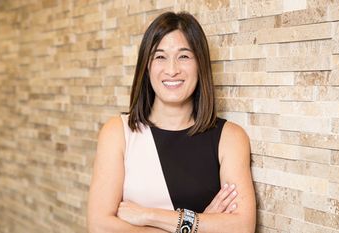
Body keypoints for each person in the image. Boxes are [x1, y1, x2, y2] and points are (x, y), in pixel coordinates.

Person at [87, 11, 256, 233]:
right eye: (160, 57)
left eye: (184, 56)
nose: (172, 69)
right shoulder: (119, 133)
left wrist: (150, 215)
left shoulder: (230, 138)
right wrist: (202, 222)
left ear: (200, 64)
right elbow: (99, 226)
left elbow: (242, 227)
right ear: (146, 67)